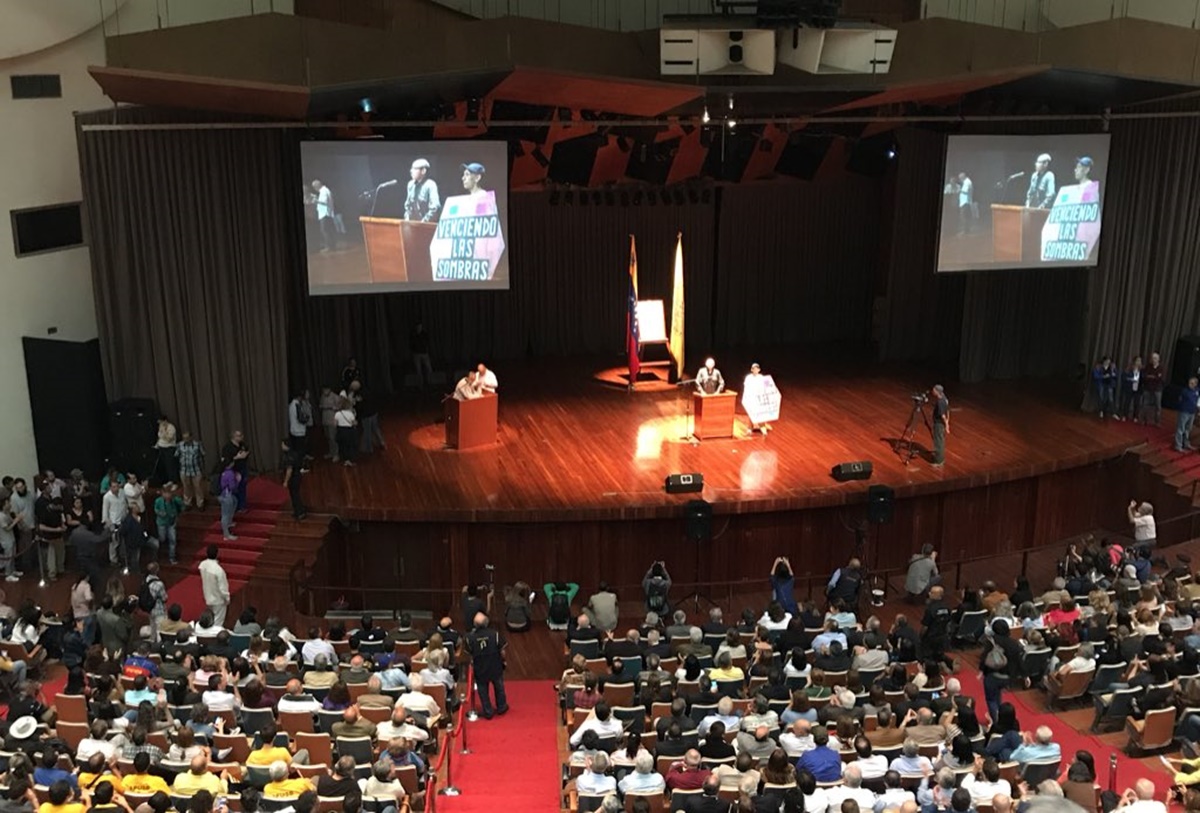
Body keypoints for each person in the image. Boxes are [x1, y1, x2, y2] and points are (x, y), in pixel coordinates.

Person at [463, 612, 508, 718]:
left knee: (483, 690)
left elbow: (469, 654)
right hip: (495, 665)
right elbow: (502, 651)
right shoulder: (495, 634)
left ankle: (488, 711)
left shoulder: (469, 638)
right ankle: (501, 707)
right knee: (499, 687)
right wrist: (504, 661)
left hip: (480, 667)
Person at [197, 546, 230, 628]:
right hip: (218, 600)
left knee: (209, 620)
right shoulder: (219, 570)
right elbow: (223, 588)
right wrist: (227, 598)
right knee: (217, 623)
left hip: (208, 597)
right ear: (217, 554)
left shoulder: (202, 565)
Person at [219, 431, 250, 512]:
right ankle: (234, 507)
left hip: (243, 468)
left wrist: (246, 454)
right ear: (233, 437)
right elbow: (225, 460)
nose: (241, 437)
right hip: (233, 470)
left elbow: (247, 450)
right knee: (234, 488)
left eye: (242, 435)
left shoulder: (243, 444)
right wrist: (237, 457)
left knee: (243, 487)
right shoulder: (227, 447)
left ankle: (242, 506)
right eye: (239, 436)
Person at [175, 432, 206, 510]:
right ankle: (187, 503)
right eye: (184, 438)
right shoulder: (179, 445)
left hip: (196, 469)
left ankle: (200, 504)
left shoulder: (197, 445)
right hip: (184, 470)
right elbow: (176, 455)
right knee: (186, 487)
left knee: (198, 487)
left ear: (191, 438)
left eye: (187, 438)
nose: (185, 440)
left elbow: (203, 454)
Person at [153, 484, 183, 565]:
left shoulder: (174, 500)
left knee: (173, 540)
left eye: (169, 493)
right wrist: (160, 513)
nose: (167, 495)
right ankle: (159, 553)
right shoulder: (158, 501)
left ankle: (172, 557)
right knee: (162, 538)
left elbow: (181, 505)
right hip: (161, 523)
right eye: (165, 493)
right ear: (162, 493)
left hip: (171, 522)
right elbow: (155, 509)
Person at [404, 158, 440, 222]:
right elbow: (407, 206)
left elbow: (435, 207)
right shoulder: (410, 185)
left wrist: (424, 222)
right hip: (413, 225)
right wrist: (407, 219)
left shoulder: (430, 185)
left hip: (427, 226)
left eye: (414, 168)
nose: (411, 171)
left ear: (423, 171)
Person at [281, 438, 307, 521]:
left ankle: (300, 512)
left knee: (294, 495)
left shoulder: (288, 456)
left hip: (293, 477)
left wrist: (285, 481)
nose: (281, 446)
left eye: (282, 444)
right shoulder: (295, 453)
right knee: (295, 494)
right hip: (298, 475)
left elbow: (289, 470)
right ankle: (298, 511)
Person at [744, 362, 772, 433]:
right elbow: (746, 387)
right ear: (751, 370)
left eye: (756, 369)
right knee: (751, 413)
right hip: (751, 398)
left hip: (759, 399)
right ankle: (750, 428)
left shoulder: (761, 377)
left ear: (759, 370)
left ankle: (762, 427)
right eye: (753, 369)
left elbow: (768, 386)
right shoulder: (748, 378)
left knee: (761, 413)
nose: (755, 370)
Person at [286, 390, 313, 464]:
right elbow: (301, 418)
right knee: (300, 450)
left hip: (293, 430)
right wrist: (307, 418)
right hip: (299, 431)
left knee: (296, 450)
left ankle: (297, 465)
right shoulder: (297, 405)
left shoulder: (290, 405)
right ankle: (300, 466)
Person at [1141, 351, 1165, 426]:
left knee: (1158, 406)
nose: (1153, 359)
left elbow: (1160, 379)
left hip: (1157, 389)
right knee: (1145, 404)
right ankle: (1144, 420)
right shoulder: (1148, 367)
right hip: (1147, 388)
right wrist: (1153, 377)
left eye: (1155, 358)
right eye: (1152, 358)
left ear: (1158, 359)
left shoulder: (1161, 368)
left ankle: (1157, 422)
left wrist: (1151, 377)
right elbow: (1145, 376)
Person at [311, 180, 336, 252]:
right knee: (328, 230)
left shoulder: (324, 191)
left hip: (325, 214)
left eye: (314, 187)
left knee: (325, 230)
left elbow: (324, 202)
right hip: (326, 213)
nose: (315, 189)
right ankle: (332, 245)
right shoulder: (325, 190)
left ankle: (329, 246)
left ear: (316, 186)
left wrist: (316, 201)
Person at [217, 463, 239, 542]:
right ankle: (226, 535)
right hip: (226, 495)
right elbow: (232, 487)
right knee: (225, 514)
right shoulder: (230, 473)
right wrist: (237, 480)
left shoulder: (222, 470)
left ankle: (229, 522)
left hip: (222, 494)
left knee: (235, 501)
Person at [1176, 376, 1198, 452]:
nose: (1190, 384)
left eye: (1192, 383)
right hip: (1184, 412)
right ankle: (1178, 445)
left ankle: (1186, 443)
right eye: (1189, 383)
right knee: (1181, 428)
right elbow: (1180, 400)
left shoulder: (1197, 391)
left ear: (1195, 384)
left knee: (1188, 429)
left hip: (1192, 412)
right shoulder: (1185, 391)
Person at [334, 397, 358, 466]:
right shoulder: (350, 414)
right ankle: (350, 460)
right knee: (350, 445)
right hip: (349, 431)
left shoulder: (337, 414)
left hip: (340, 431)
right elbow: (354, 423)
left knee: (343, 446)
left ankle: (346, 460)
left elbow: (335, 424)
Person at [930, 384, 950, 467]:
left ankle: (939, 461)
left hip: (939, 424)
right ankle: (939, 458)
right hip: (941, 424)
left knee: (938, 442)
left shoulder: (940, 402)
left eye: (933, 390)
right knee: (940, 440)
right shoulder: (945, 398)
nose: (932, 391)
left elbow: (943, 415)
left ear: (937, 392)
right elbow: (948, 411)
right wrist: (948, 422)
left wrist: (947, 425)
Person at [1120, 356, 1143, 422]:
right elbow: (1124, 377)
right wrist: (1131, 380)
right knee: (1127, 402)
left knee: (1137, 403)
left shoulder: (1141, 371)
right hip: (1129, 388)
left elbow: (1143, 379)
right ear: (1134, 361)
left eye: (1140, 361)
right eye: (1137, 361)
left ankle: (1135, 417)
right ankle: (1125, 415)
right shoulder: (1129, 369)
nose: (1139, 362)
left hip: (1137, 389)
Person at [410, 322, 432, 388]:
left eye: (420, 326)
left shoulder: (424, 334)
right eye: (418, 327)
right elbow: (411, 344)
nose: (419, 328)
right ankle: (420, 385)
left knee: (429, 369)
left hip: (424, 353)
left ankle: (430, 383)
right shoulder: (413, 335)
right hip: (416, 354)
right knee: (418, 370)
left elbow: (427, 342)